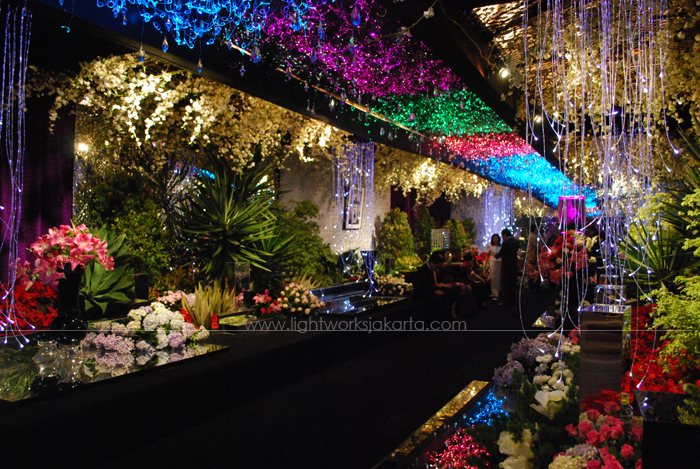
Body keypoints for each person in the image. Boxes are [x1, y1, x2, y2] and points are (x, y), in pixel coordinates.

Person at [495, 228, 520, 307]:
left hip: (506, 266)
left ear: (505, 235)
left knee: (505, 284)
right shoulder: (516, 242)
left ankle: (506, 301)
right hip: (514, 265)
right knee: (512, 284)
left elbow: (502, 253)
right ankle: (512, 300)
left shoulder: (506, 243)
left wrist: (496, 255)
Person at [486, 233, 502, 301]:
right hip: (493, 262)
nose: (496, 240)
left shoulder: (501, 246)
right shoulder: (490, 246)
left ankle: (499, 292)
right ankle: (494, 293)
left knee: (499, 277)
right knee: (494, 277)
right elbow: (487, 255)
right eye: (494, 238)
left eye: (497, 238)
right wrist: (486, 263)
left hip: (500, 262)